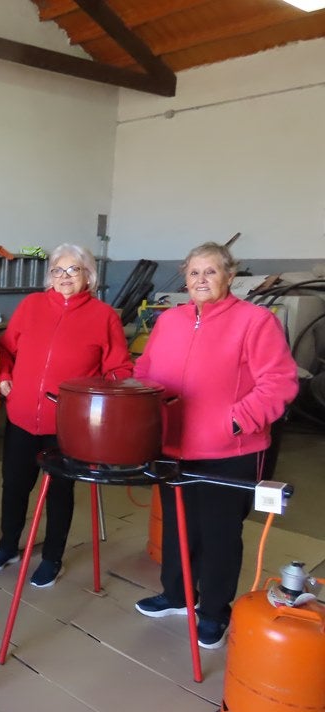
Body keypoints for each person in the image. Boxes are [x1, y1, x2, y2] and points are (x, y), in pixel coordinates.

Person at [133, 241, 297, 649]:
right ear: (185, 278)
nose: (201, 279)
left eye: (211, 272)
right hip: (173, 448)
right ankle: (177, 596)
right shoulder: (170, 321)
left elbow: (279, 383)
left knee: (220, 534)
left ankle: (214, 613)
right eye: (193, 272)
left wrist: (235, 421)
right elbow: (145, 370)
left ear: (229, 276)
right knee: (178, 527)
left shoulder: (255, 321)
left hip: (230, 452)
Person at [0, 243, 132, 588]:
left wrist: (100, 400)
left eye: (73, 270)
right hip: (21, 417)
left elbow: (119, 369)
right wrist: (5, 376)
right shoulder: (32, 305)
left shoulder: (104, 316)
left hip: (68, 425)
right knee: (15, 486)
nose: (64, 277)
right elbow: (4, 349)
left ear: (89, 277)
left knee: (60, 492)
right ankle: (8, 545)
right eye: (57, 271)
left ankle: (52, 557)